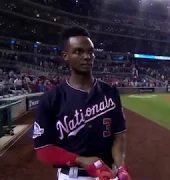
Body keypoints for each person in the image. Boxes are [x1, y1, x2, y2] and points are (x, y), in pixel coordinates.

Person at [32, 26, 132, 180]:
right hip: (72, 176)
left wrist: (121, 168)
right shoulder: (52, 98)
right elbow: (43, 149)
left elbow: (119, 136)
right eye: (78, 51)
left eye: (90, 51)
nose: (87, 56)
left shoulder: (110, 92)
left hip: (108, 174)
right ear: (65, 56)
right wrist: (81, 160)